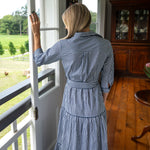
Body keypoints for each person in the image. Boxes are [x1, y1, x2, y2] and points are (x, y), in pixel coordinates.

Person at [30, 3, 114, 150]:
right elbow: (106, 83)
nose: (66, 28)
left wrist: (36, 34)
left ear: (73, 23)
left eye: (66, 25)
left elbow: (39, 59)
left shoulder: (64, 45)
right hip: (94, 100)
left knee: (71, 137)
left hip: (72, 99)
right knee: (92, 139)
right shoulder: (105, 44)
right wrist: (100, 102)